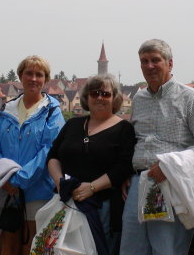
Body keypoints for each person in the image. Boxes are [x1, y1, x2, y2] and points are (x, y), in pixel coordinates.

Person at [119, 39, 194, 255]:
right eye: (144, 61)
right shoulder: (139, 98)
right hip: (138, 184)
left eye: (155, 60)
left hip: (171, 184)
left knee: (166, 250)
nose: (150, 66)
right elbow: (135, 141)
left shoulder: (189, 97)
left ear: (170, 63)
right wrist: (127, 173)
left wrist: (170, 166)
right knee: (131, 249)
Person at [47, 74, 136, 254]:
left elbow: (124, 166)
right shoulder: (73, 124)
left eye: (105, 94)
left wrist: (92, 188)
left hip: (102, 208)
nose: (100, 98)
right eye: (94, 93)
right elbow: (53, 156)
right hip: (67, 202)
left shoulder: (124, 129)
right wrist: (60, 183)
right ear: (87, 97)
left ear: (115, 98)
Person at [0, 55, 65, 255]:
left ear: (45, 80)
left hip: (38, 190)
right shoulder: (8, 109)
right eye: (29, 73)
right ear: (20, 76)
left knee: (32, 246)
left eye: (39, 75)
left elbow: (50, 150)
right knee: (8, 245)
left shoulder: (51, 112)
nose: (33, 78)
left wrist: (18, 181)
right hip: (7, 191)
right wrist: (2, 178)